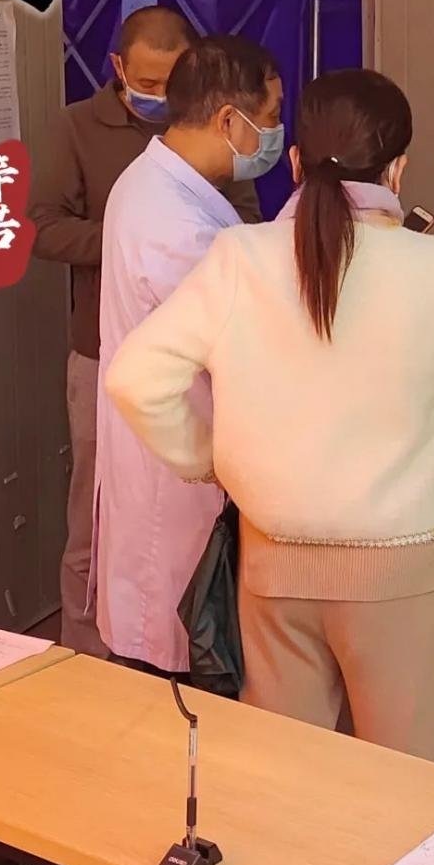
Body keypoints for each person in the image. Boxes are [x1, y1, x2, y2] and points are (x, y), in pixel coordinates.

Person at [105, 68, 434, 764]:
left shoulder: (238, 258)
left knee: (281, 775)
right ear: (398, 169)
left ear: (295, 161)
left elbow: (135, 378)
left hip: (273, 556)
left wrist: (207, 459)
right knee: (409, 776)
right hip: (401, 569)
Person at [28, 7, 260, 655]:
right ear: (118, 68)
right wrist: (129, 239)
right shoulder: (78, 126)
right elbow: (41, 226)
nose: (159, 94)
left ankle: (186, 646)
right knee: (98, 517)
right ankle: (84, 655)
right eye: (148, 81)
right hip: (101, 347)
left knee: (184, 526)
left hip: (191, 365)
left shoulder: (216, 142)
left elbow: (245, 228)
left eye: (172, 80)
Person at [93, 34, 284, 675]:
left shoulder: (167, 186)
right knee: (171, 658)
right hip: (175, 469)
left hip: (173, 458)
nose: (274, 133)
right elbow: (233, 341)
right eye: (270, 116)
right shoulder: (175, 221)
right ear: (229, 120)